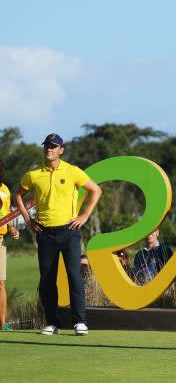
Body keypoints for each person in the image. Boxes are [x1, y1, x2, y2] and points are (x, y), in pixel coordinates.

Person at [13, 133, 102, 336]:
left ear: (61, 149)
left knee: (74, 275)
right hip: (45, 233)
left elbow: (95, 190)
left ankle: (80, 321)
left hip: (69, 231)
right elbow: (18, 194)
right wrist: (28, 220)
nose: (49, 149)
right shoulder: (33, 175)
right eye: (47, 146)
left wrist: (84, 216)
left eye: (53, 146)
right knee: (47, 279)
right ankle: (52, 323)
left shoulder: (72, 171)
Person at [1, 162, 21, 331]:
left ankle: (2, 323)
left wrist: (12, 227)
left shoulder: (5, 190)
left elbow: (6, 213)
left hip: (0, 239)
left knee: (0, 283)